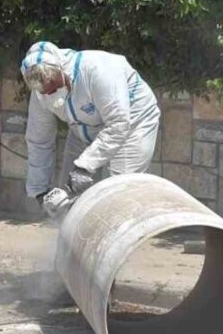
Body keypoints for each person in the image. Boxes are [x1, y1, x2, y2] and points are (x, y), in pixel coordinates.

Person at [20, 41, 161, 216]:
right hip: (83, 128)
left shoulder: (98, 70)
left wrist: (85, 166)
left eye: (54, 87)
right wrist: (39, 191)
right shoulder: (41, 92)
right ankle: (74, 242)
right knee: (67, 198)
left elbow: (118, 123)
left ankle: (117, 239)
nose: (50, 93)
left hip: (132, 122)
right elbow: (38, 139)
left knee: (117, 194)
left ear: (59, 69)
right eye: (45, 92)